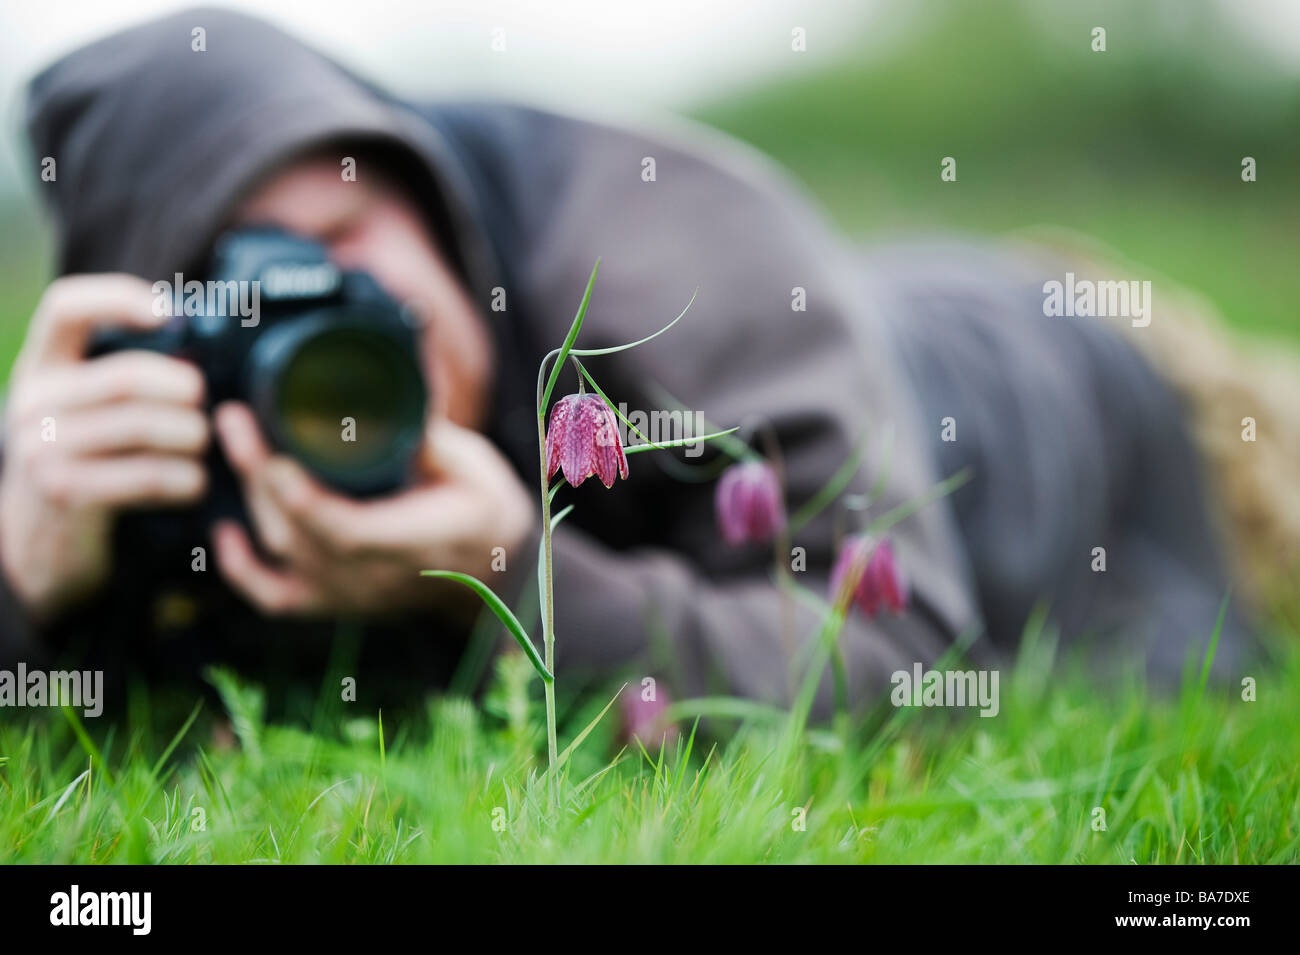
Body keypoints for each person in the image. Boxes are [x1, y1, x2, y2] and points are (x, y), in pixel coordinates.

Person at [0, 8, 1262, 713]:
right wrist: (31, 585)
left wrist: (510, 575)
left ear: (418, 181)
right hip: (872, 313)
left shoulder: (672, 257)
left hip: (1083, 385)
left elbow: (903, 665)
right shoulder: (170, 432)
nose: (351, 315)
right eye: (263, 304)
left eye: (347, 236)